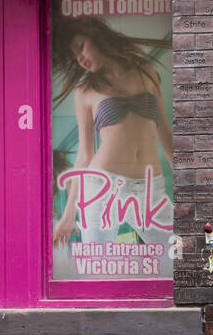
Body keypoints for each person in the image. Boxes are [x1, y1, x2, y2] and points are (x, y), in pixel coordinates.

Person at [50, 17, 173, 251]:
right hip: (102, 189)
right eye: (76, 57)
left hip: (150, 189)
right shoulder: (84, 92)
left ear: (96, 36)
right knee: (97, 269)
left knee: (176, 260)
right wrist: (68, 216)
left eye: (80, 48)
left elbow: (164, 130)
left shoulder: (146, 72)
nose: (81, 59)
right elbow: (85, 157)